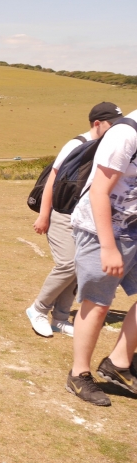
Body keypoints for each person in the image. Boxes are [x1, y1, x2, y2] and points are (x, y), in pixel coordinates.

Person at [28, 102, 122, 338]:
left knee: (80, 267)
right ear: (97, 124)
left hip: (86, 217)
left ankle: (60, 318)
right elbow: (52, 179)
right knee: (68, 264)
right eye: (112, 125)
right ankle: (38, 309)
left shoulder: (110, 145)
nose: (117, 130)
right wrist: (44, 215)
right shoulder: (77, 144)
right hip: (63, 213)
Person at [65, 106, 137, 406]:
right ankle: (78, 374)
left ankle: (118, 362)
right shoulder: (126, 134)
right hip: (99, 229)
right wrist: (108, 246)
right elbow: (99, 191)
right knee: (98, 303)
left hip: (132, 226)